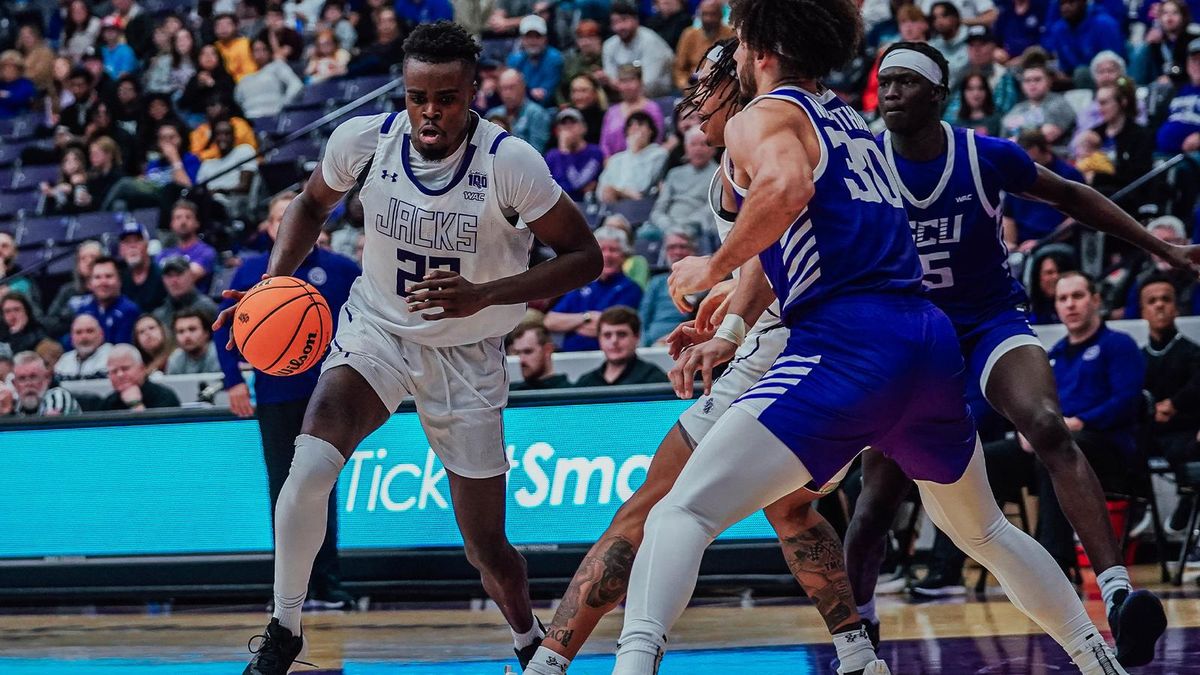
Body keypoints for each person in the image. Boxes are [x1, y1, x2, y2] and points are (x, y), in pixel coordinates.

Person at [614, 9, 1130, 671]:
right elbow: (802, 228)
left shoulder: (759, 116)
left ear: (764, 46)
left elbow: (786, 188)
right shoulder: (850, 122)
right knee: (985, 529)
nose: (737, 53)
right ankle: (1096, 656)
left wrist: (707, 267)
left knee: (680, 512)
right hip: (924, 342)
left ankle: (632, 663)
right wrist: (734, 311)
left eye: (741, 40)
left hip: (847, 348)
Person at [217, 22, 602, 674]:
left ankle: (526, 632)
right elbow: (309, 207)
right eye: (418, 95)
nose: (430, 111)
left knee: (487, 548)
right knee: (307, 465)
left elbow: (585, 257)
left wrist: (486, 293)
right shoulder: (365, 141)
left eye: (446, 97)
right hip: (378, 330)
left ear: (474, 89)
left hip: (469, 351)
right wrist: (276, 277)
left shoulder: (509, 163)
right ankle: (284, 627)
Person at [526, 41, 878, 675]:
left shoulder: (752, 147)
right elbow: (783, 256)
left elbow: (776, 234)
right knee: (794, 508)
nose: (695, 106)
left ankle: (549, 663)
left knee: (648, 509)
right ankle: (858, 655)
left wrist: (728, 307)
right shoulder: (816, 127)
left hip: (783, 352)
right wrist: (727, 297)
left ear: (740, 80)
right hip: (849, 354)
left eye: (706, 87)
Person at [846, 41, 1174, 670]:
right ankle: (857, 640)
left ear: (938, 95)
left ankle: (1119, 594)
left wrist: (1160, 248)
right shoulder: (863, 165)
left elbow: (1075, 197)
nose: (888, 91)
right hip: (912, 339)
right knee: (876, 498)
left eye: (905, 82)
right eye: (883, 81)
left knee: (1048, 425)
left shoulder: (983, 154)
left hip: (990, 321)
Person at [215, 189, 362, 611]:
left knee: (322, 486)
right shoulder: (253, 271)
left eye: (294, 218)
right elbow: (221, 326)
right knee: (283, 491)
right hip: (276, 396)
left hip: (329, 394)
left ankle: (328, 584)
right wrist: (232, 381)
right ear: (269, 228)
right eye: (280, 219)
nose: (289, 226)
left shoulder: (341, 269)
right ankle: (287, 592)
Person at [545, 226, 643, 352]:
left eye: (613, 250)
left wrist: (571, 325)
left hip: (607, 356)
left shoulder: (631, 289)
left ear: (623, 256)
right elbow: (550, 321)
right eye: (602, 249)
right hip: (568, 357)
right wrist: (587, 317)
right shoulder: (582, 285)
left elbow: (611, 327)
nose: (607, 255)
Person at [1003, 129, 1086, 251]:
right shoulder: (1017, 174)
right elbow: (1008, 215)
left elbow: (1079, 216)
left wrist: (1044, 242)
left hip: (1056, 241)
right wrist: (1011, 245)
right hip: (1022, 246)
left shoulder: (1069, 175)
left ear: (1040, 150)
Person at [573, 307, 668, 386]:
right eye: (607, 335)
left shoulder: (654, 379)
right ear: (599, 339)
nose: (614, 341)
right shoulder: (585, 382)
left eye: (621, 334)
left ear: (637, 337)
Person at [648, 127, 717, 234]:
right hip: (667, 226)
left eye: (703, 144)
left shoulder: (719, 175)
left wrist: (682, 225)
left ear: (713, 149)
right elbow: (659, 207)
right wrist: (665, 223)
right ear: (686, 149)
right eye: (693, 144)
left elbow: (710, 210)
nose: (698, 149)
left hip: (697, 227)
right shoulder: (674, 174)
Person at [603, 2, 675, 98]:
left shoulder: (650, 41)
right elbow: (611, 78)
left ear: (636, 20)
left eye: (624, 20)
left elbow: (650, 82)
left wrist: (622, 86)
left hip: (659, 97)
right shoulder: (609, 45)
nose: (620, 27)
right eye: (615, 22)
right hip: (622, 98)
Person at [1044, 0, 1125, 84]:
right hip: (1073, 82)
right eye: (1062, 4)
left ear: (1084, 2)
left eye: (1071, 2)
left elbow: (1114, 65)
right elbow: (1064, 67)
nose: (1066, 7)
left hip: (1109, 80)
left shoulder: (1105, 25)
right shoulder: (1058, 30)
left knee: (1081, 73)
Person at [596, 112, 669, 204]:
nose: (635, 128)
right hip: (613, 206)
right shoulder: (616, 159)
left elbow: (641, 187)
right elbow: (601, 191)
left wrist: (635, 152)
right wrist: (622, 192)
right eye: (630, 125)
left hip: (642, 206)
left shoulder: (659, 154)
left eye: (640, 124)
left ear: (651, 130)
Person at [639, 228, 696, 345]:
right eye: (672, 247)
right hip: (654, 343)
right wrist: (644, 346)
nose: (677, 252)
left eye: (683, 247)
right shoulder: (656, 282)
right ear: (665, 252)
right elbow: (642, 319)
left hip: (689, 341)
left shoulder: (706, 282)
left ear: (693, 251)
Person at [600, 63, 666, 157]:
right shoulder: (611, 112)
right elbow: (604, 145)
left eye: (631, 80)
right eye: (623, 81)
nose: (627, 86)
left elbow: (658, 139)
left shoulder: (652, 108)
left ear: (640, 82)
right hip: (615, 164)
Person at [1001, 63, 1077, 144]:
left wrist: (1014, 141)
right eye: (1027, 80)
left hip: (1054, 152)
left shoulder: (1059, 103)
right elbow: (1003, 138)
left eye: (1037, 79)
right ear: (1022, 85)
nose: (1032, 84)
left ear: (1049, 82)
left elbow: (1048, 135)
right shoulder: (1017, 109)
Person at [156, 200, 218, 293]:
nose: (183, 221)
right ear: (171, 224)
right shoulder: (163, 253)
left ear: (197, 223)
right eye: (178, 217)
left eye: (188, 217)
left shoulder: (206, 252)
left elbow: (189, 277)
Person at [77, 256, 142, 346]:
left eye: (109, 276)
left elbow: (121, 351)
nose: (103, 282)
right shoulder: (83, 310)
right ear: (90, 283)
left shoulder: (129, 311)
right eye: (97, 277)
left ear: (119, 281)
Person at [672, 0, 734, 92]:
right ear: (699, 16)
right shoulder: (689, 34)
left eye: (713, 14)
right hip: (692, 86)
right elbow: (679, 68)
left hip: (721, 87)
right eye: (705, 14)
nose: (708, 19)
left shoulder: (731, 34)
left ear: (721, 15)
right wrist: (685, 86)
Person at [46, 240, 103, 338]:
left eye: (93, 257)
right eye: (83, 258)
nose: (89, 262)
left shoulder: (108, 290)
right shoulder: (68, 291)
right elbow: (50, 322)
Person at [544, 107, 604, 200]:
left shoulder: (594, 152)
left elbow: (576, 184)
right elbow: (548, 191)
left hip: (585, 206)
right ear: (558, 131)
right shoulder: (551, 157)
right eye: (564, 124)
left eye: (573, 123)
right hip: (560, 207)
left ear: (583, 128)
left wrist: (565, 153)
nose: (568, 128)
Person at [236, 38, 303, 119]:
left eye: (264, 49)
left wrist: (284, 104)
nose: (260, 53)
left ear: (269, 51)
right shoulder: (245, 79)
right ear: (251, 53)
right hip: (251, 120)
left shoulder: (277, 66)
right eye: (256, 50)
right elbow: (238, 99)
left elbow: (296, 85)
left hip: (274, 117)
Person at [487, 68, 553, 151]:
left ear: (522, 87)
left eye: (511, 88)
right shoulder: (493, 115)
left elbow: (536, 152)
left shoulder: (537, 114)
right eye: (503, 89)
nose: (507, 94)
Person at [100, 343, 181, 411]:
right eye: (114, 371)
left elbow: (162, 430)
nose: (120, 375)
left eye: (125, 368)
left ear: (141, 369)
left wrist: (135, 404)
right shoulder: (108, 403)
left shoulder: (164, 396)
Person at [506, 15, 563, 106]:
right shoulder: (514, 59)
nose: (533, 41)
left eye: (537, 36)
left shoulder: (555, 58)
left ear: (545, 38)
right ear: (522, 39)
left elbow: (544, 95)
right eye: (528, 37)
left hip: (549, 107)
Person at [1156, 38, 1200, 154]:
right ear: (1187, 65)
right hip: (1165, 156)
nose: (1197, 65)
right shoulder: (1178, 90)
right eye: (1194, 60)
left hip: (1192, 157)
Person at [117, 221, 167, 313]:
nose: (132, 246)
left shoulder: (162, 275)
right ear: (121, 250)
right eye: (127, 242)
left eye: (137, 240)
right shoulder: (119, 279)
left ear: (147, 245)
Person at [12, 351, 81, 417]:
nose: (28, 384)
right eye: (22, 378)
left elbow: (50, 424)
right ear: (15, 384)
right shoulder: (15, 405)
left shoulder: (58, 396)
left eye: (33, 377)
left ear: (47, 378)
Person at [509, 321, 571, 389]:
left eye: (528, 352)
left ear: (548, 350)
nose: (521, 360)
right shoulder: (509, 393)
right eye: (517, 353)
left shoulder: (571, 391)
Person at [55, 314, 113, 381]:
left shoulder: (112, 355)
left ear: (101, 334)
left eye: (89, 331)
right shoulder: (64, 360)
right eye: (78, 332)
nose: (84, 337)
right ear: (71, 338)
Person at [165, 309, 219, 375]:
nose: (187, 336)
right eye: (181, 331)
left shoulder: (219, 354)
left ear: (206, 332)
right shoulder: (175, 359)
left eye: (192, 329)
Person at [213, 13, 257, 82]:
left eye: (227, 24)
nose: (223, 28)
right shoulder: (213, 47)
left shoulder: (246, 44)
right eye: (219, 25)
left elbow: (250, 72)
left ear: (236, 26)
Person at [0, 50, 36, 119]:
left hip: (16, 121)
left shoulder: (25, 84)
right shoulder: (1, 83)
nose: (8, 69)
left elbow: (21, 98)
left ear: (19, 69)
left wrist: (4, 95)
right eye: (5, 66)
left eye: (12, 66)